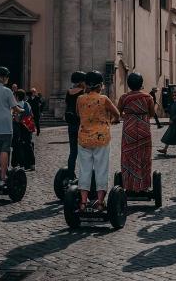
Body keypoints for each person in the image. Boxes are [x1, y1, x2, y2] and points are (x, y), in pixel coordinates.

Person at [76, 70, 120, 211]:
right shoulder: (104, 99)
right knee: (101, 169)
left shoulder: (80, 99)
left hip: (84, 138)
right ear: (100, 85)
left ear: (87, 85)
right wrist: (113, 121)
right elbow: (117, 114)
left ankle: (83, 202)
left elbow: (79, 114)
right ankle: (100, 203)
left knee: (84, 170)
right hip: (101, 138)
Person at [117, 72, 157, 193]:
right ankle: (143, 186)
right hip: (144, 128)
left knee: (128, 156)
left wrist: (128, 115)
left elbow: (118, 112)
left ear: (128, 84)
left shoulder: (124, 97)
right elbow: (151, 114)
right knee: (144, 156)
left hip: (129, 129)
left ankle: (129, 186)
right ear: (141, 84)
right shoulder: (148, 97)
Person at [64, 71, 86, 177]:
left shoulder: (69, 92)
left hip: (71, 123)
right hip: (80, 124)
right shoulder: (83, 92)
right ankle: (84, 174)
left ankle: (70, 174)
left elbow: (67, 104)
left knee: (73, 152)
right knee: (84, 152)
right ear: (81, 81)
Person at [11, 89, 36, 170]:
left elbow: (16, 119)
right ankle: (31, 164)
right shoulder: (27, 104)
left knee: (16, 146)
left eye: (14, 96)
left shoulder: (15, 106)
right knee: (28, 145)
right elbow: (31, 115)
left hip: (18, 129)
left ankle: (17, 164)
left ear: (17, 97)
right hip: (27, 127)